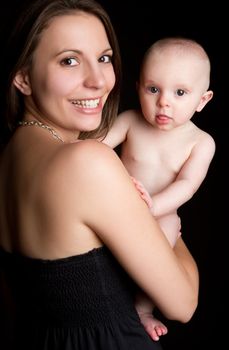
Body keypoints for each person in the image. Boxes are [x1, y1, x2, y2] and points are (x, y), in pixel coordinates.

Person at [0, 1, 199, 349]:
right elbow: (183, 304)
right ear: (24, 77)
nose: (98, 81)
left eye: (104, 58)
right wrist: (166, 214)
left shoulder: (10, 157)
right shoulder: (86, 161)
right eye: (69, 60)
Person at [102, 36, 215, 341]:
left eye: (180, 93)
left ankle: (142, 309)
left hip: (159, 212)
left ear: (202, 100)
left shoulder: (200, 142)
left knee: (162, 240)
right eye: (153, 89)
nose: (164, 101)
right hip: (116, 204)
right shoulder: (130, 121)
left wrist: (152, 206)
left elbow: (187, 185)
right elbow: (97, 149)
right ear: (139, 87)